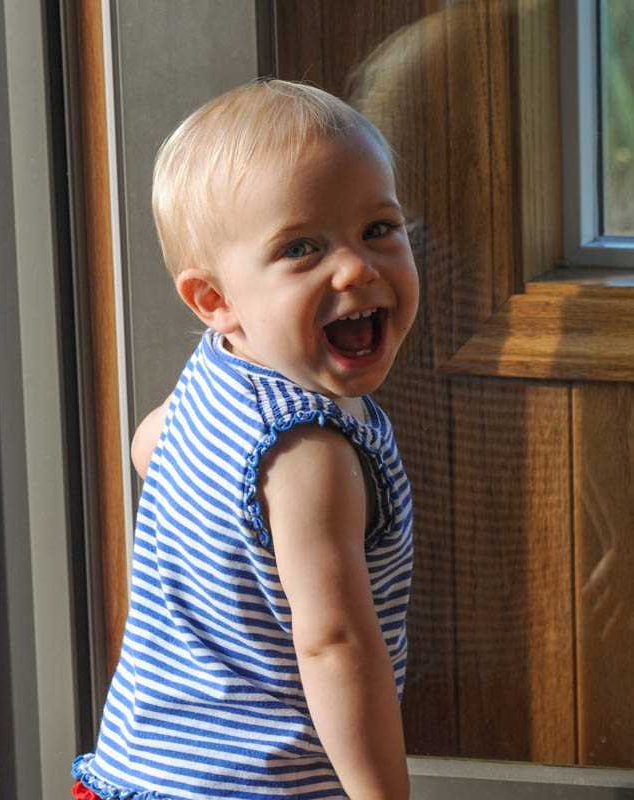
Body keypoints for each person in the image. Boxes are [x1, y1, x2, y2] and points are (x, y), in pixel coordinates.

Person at [71, 79, 418, 800]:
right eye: (301, 247)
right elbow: (334, 645)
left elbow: (150, 445)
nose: (355, 266)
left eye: (378, 229)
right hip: (248, 786)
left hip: (137, 768)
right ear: (216, 300)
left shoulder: (220, 369)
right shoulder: (309, 452)